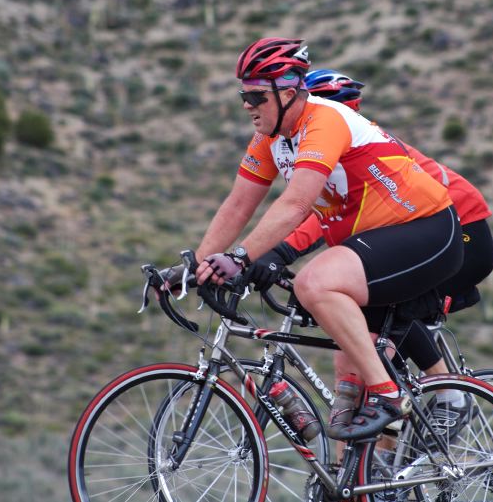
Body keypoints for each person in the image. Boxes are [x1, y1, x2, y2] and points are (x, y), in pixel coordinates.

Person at [193, 38, 464, 440]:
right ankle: (376, 478)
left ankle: (391, 397)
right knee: (345, 371)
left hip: (426, 230)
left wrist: (239, 257)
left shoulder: (324, 120)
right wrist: (195, 265)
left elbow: (298, 202)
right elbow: (237, 205)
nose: (247, 105)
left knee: (314, 282)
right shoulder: (272, 138)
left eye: (255, 96)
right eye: (242, 96)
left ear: (288, 94)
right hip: (375, 240)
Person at [248, 68, 493, 437]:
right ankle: (370, 469)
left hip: (464, 234)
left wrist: (280, 252)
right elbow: (324, 215)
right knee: (358, 334)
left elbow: (314, 221)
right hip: (413, 238)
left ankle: (449, 394)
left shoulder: (352, 149)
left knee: (391, 308)